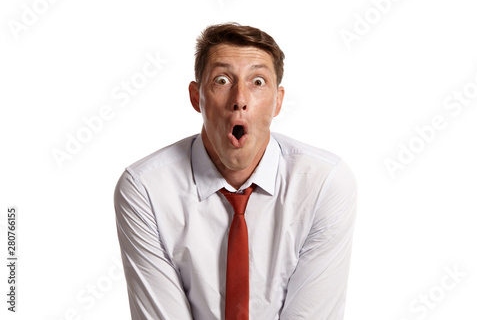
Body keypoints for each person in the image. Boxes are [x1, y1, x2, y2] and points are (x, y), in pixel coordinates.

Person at [114, 22, 357, 320]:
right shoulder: (146, 189)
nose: (239, 99)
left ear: (277, 102)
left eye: (257, 82)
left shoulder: (323, 184)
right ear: (196, 97)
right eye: (222, 80)